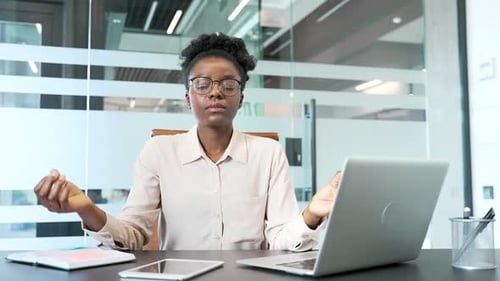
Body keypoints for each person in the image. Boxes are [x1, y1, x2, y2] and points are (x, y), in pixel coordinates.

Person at [34, 32, 341, 251]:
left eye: (228, 85)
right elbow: (133, 235)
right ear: (187, 97)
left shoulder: (268, 153)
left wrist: (312, 213)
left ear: (241, 97)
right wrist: (88, 209)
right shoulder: (159, 151)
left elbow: (280, 239)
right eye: (202, 84)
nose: (215, 92)